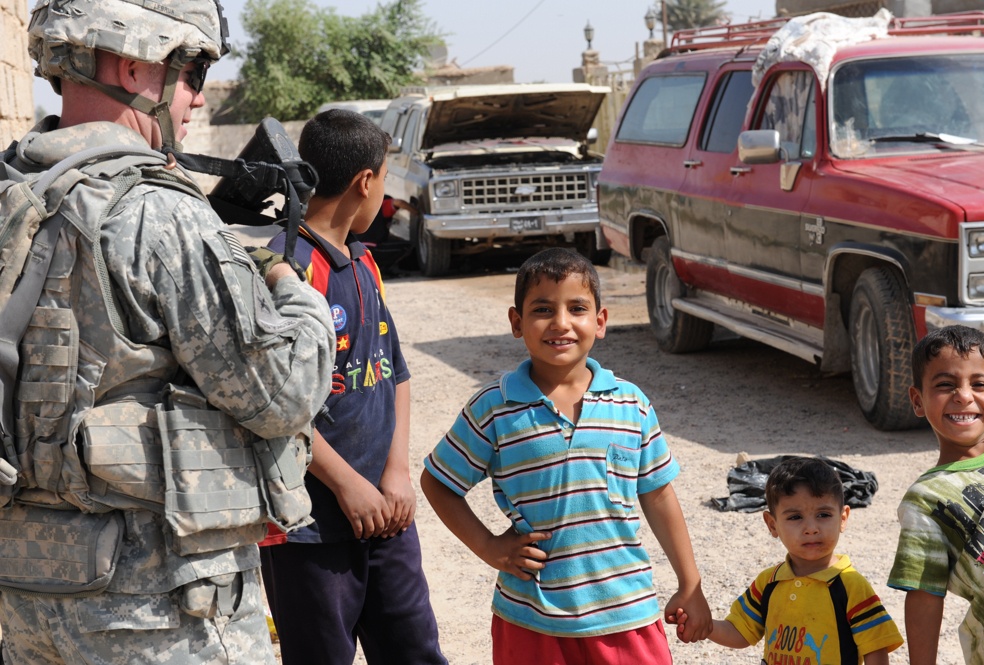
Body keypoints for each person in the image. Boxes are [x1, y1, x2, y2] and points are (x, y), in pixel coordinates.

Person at [0, 1, 337, 664]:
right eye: (192, 71)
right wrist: (294, 293)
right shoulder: (160, 213)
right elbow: (280, 395)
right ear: (134, 64)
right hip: (157, 614)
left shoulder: (14, 195)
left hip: (28, 600)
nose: (197, 97)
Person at [420, 247, 712, 665]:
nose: (561, 323)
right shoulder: (494, 408)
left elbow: (659, 495)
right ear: (516, 323)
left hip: (627, 614)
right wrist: (488, 546)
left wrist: (690, 584)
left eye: (577, 308)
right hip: (531, 621)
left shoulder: (631, 404)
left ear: (600, 321)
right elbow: (438, 482)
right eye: (542, 309)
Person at [259, 109, 447, 665]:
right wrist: (346, 485)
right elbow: (273, 407)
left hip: (386, 517)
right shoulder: (286, 270)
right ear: (366, 181)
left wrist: (394, 473)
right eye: (384, 180)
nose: (384, 195)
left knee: (415, 651)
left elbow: (395, 375)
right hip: (309, 530)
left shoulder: (366, 264)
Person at [708, 457, 902, 664]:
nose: (811, 528)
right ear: (772, 525)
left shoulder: (851, 586)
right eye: (795, 517)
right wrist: (704, 626)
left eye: (824, 514)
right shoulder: (769, 583)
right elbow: (740, 632)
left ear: (843, 518)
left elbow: (876, 649)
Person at [888, 324, 984, 665]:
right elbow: (924, 593)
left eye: (979, 384)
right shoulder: (926, 499)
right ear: (918, 401)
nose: (963, 395)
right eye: (945, 385)